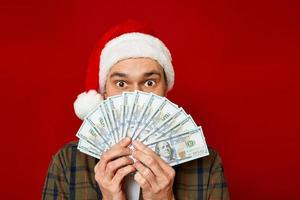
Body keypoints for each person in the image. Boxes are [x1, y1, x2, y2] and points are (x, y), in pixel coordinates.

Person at [42, 20, 229, 200]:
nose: (136, 95)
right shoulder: (67, 163)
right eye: (121, 83)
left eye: (149, 82)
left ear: (165, 89)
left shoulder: (207, 165)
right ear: (104, 92)